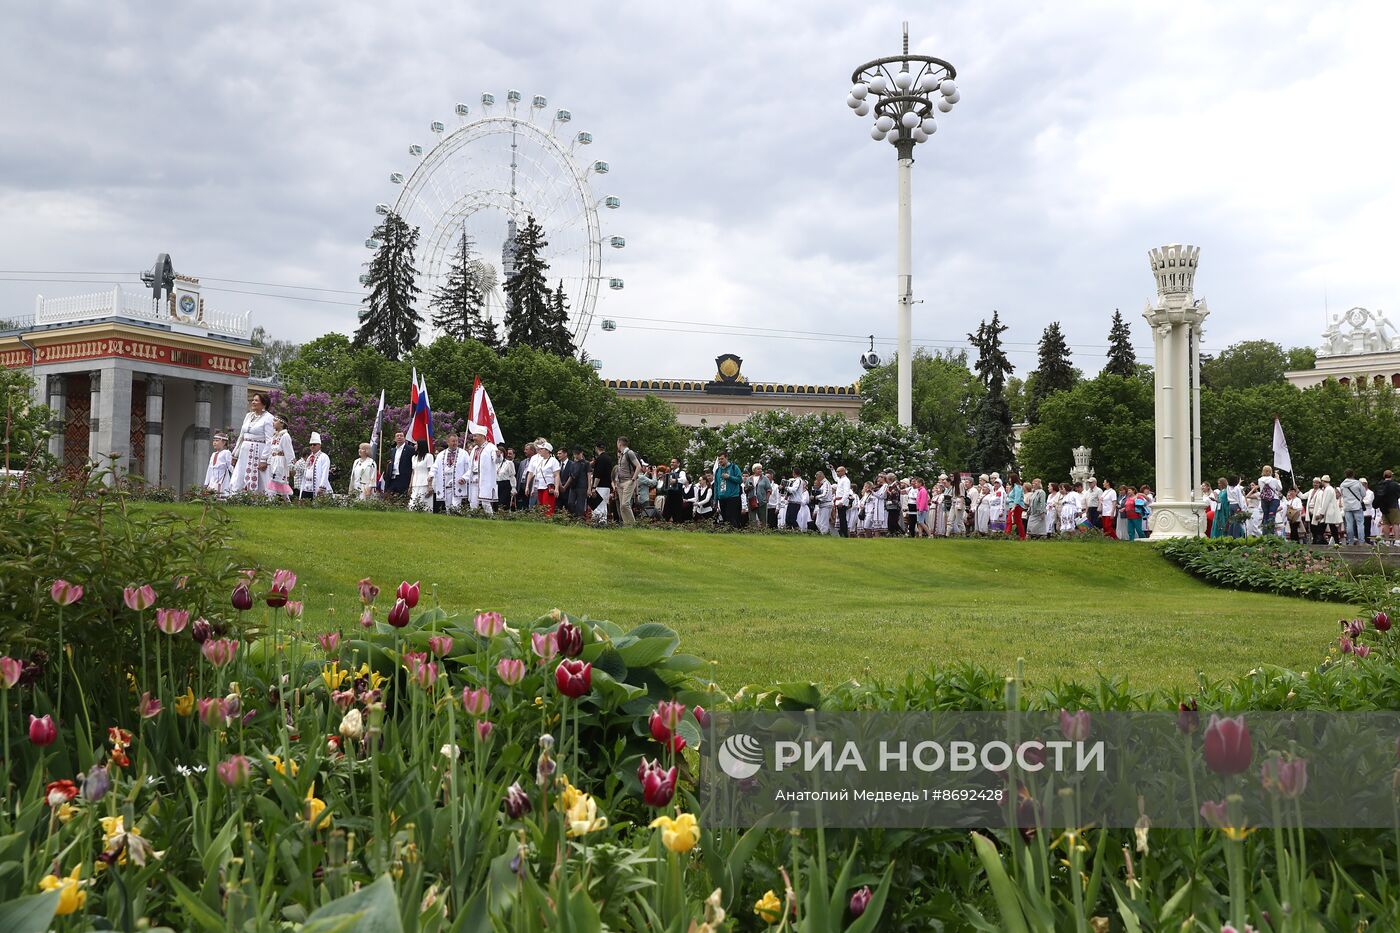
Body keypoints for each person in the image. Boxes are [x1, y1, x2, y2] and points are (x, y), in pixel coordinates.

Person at [230, 392, 275, 495]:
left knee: (260, 476)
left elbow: (270, 440)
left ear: (264, 404)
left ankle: (261, 498)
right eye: (253, 400)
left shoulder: (269, 418)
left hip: (258, 451)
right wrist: (235, 454)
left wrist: (264, 459)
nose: (253, 402)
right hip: (244, 450)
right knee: (240, 473)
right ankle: (237, 496)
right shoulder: (248, 416)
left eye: (256, 400)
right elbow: (242, 436)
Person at [467, 423, 500, 515]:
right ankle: (473, 520)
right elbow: (471, 466)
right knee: (473, 503)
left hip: (485, 480)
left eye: (475, 436)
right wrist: (465, 477)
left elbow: (497, 460)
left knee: (485, 502)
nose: (473, 438)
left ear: (482, 436)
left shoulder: (491, 447)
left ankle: (490, 519)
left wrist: (498, 456)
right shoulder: (474, 449)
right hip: (474, 479)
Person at [432, 433, 469, 512]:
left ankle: (457, 521)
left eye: (456, 441)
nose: (455, 443)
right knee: (448, 507)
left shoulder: (464, 454)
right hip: (446, 484)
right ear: (447, 442)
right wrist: (431, 475)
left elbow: (469, 469)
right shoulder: (441, 455)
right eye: (453, 441)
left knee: (456, 506)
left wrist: (464, 478)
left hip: (458, 484)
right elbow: (435, 466)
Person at [264, 416, 296, 501]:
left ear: (281, 423)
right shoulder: (274, 437)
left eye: (275, 421)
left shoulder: (285, 436)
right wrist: (268, 461)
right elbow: (271, 450)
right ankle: (287, 502)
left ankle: (270, 500)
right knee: (278, 483)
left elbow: (289, 452)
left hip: (280, 463)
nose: (273, 422)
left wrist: (291, 466)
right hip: (273, 462)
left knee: (275, 481)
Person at [614, 437, 643, 526]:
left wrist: (633, 479)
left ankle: (633, 524)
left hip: (628, 481)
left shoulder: (629, 453)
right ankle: (627, 525)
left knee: (625, 504)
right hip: (620, 483)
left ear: (620, 443)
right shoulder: (621, 454)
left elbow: (638, 466)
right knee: (622, 507)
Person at [712, 450, 744, 529]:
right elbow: (716, 485)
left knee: (732, 518)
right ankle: (727, 533)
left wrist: (729, 477)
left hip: (733, 497)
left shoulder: (734, 467)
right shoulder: (717, 470)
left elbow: (740, 480)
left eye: (722, 459)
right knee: (725, 518)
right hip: (722, 497)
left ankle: (734, 533)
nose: (720, 461)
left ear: (726, 458)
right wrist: (715, 499)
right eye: (719, 459)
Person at [590, 442, 615, 524]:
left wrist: (594, 487)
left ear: (596, 448)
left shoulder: (600, 459)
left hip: (600, 486)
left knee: (597, 506)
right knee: (603, 505)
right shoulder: (608, 458)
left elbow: (598, 475)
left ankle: (599, 523)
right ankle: (603, 522)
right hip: (607, 486)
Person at [1340, 468, 1366, 545]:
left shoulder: (1342, 485)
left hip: (1347, 506)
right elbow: (1364, 494)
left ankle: (1350, 541)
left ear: (1345, 475)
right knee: (1360, 524)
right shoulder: (1358, 483)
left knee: (1349, 524)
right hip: (1357, 506)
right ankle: (1361, 541)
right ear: (1353, 474)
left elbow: (1342, 495)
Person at [1375, 469, 1400, 546]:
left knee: (1385, 523)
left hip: (1383, 507)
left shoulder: (1380, 484)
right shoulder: (1395, 484)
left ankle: (1387, 540)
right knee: (1395, 523)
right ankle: (1396, 540)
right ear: (1391, 476)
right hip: (1393, 505)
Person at [385, 431, 414, 497]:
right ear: (395, 439)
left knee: (402, 498)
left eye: (401, 436)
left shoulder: (410, 449)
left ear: (404, 438)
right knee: (390, 498)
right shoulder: (393, 450)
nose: (399, 437)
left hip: (404, 478)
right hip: (393, 478)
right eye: (397, 436)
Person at [535, 441, 559, 516]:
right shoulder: (540, 461)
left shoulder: (553, 461)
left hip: (548, 487)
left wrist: (556, 488)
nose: (540, 451)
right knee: (541, 507)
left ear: (547, 450)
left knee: (548, 507)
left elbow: (557, 475)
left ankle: (548, 520)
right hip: (540, 486)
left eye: (542, 449)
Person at [409, 441, 435, 511]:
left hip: (425, 484)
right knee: (412, 505)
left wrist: (430, 486)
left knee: (425, 505)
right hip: (415, 484)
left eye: (416, 444)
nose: (414, 446)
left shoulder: (429, 456)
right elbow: (413, 472)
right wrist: (410, 486)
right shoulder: (414, 458)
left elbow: (431, 471)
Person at [1257, 466, 1283, 535]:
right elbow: (1280, 488)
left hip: (1264, 499)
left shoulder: (1259, 480)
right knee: (1271, 516)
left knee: (1265, 516)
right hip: (1273, 499)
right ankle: (1270, 535)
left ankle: (1264, 535)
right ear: (1271, 472)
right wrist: (1278, 479)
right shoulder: (1274, 480)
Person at [1007, 473, 1026, 539]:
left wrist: (1014, 507)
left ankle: (1007, 534)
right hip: (1013, 506)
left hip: (1016, 506)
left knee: (1010, 520)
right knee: (1018, 521)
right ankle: (1022, 536)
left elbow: (1017, 498)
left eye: (1010, 478)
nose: (1009, 480)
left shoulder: (1017, 487)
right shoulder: (1014, 487)